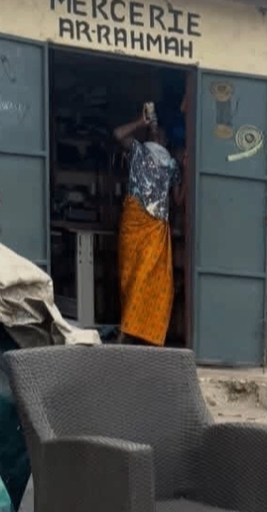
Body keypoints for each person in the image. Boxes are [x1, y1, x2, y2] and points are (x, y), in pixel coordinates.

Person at [112, 108, 184, 345]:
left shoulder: (172, 165)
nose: (157, 135)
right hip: (135, 223)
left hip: (154, 227)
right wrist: (139, 122)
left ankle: (149, 335)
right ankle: (128, 329)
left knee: (155, 281)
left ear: (165, 139)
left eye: (160, 133)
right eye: (154, 132)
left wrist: (186, 168)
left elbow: (178, 200)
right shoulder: (138, 151)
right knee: (131, 277)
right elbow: (117, 133)